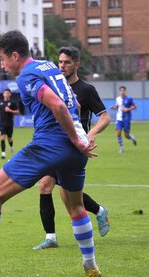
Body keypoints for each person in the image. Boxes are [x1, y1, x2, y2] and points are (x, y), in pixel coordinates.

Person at [0, 30, 101, 277]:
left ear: (15, 55)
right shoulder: (50, 67)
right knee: (76, 207)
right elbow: (74, 102)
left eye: (2, 59)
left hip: (50, 145)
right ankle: (90, 264)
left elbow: (58, 104)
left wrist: (72, 139)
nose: (2, 64)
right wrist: (78, 139)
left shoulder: (26, 76)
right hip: (77, 151)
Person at [33, 46, 111, 250]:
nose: (62, 66)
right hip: (53, 144)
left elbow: (105, 116)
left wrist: (91, 133)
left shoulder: (86, 90)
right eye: (60, 62)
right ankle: (50, 237)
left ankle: (99, 211)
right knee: (46, 185)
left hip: (74, 147)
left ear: (77, 64)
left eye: (67, 62)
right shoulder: (53, 87)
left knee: (69, 193)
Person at [0, 88, 20, 159]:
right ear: (3, 94)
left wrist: (10, 110)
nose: (6, 94)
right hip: (2, 124)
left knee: (9, 138)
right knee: (2, 138)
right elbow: (0, 110)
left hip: (9, 124)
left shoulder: (13, 102)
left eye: (7, 93)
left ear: (10, 94)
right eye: (5, 93)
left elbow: (17, 112)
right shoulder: (1, 102)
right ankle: (3, 153)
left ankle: (11, 146)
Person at [110, 86, 137, 153]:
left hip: (126, 118)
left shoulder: (129, 99)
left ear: (125, 91)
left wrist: (128, 109)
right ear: (119, 91)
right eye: (121, 90)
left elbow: (135, 106)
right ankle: (122, 148)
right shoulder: (118, 99)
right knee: (118, 133)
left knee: (126, 136)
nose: (122, 91)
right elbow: (117, 107)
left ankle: (132, 138)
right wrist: (113, 107)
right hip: (119, 118)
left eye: (123, 90)